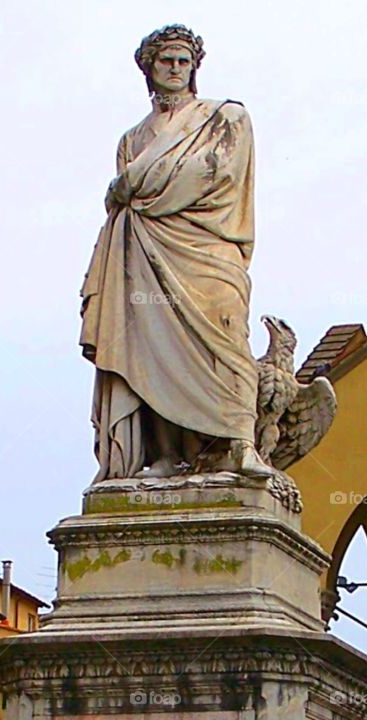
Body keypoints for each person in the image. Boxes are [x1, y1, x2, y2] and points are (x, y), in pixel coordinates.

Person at [81, 24, 269, 481]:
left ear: (195, 68)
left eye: (184, 61)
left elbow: (218, 174)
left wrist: (134, 186)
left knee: (226, 336)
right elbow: (130, 198)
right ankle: (166, 456)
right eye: (166, 60)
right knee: (149, 345)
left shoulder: (224, 118)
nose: (176, 69)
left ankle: (239, 443)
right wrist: (133, 188)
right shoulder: (132, 138)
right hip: (146, 252)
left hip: (209, 248)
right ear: (149, 69)